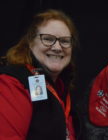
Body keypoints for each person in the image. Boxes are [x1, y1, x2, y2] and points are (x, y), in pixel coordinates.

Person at [0, 9, 80, 140]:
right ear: (30, 43)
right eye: (48, 39)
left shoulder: (61, 89)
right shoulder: (12, 83)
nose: (57, 47)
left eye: (65, 41)